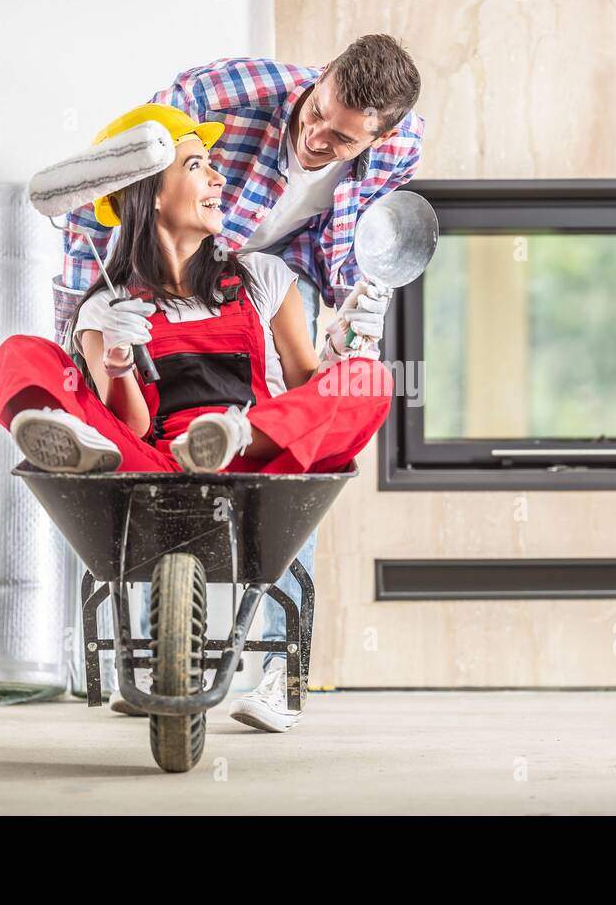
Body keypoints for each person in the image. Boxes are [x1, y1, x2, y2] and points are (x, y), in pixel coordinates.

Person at [50, 36, 425, 731]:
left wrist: (350, 323)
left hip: (271, 276)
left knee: (349, 397)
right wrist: (81, 318)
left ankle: (279, 671)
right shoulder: (224, 93)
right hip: (179, 263)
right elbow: (121, 178)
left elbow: (352, 239)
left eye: (340, 138)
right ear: (320, 78)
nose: (315, 136)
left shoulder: (401, 151)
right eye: (316, 112)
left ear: (382, 134)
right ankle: (145, 659)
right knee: (92, 393)